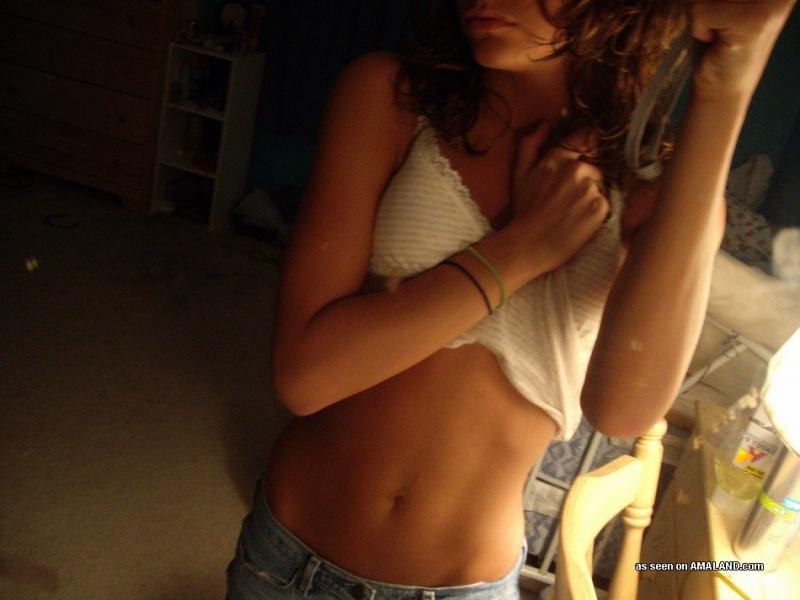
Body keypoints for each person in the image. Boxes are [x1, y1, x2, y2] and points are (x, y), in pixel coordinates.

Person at [227, 1, 796, 598]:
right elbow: (306, 375)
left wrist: (725, 92)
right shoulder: (390, 96)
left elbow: (623, 412)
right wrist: (521, 250)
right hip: (287, 564)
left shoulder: (652, 186)